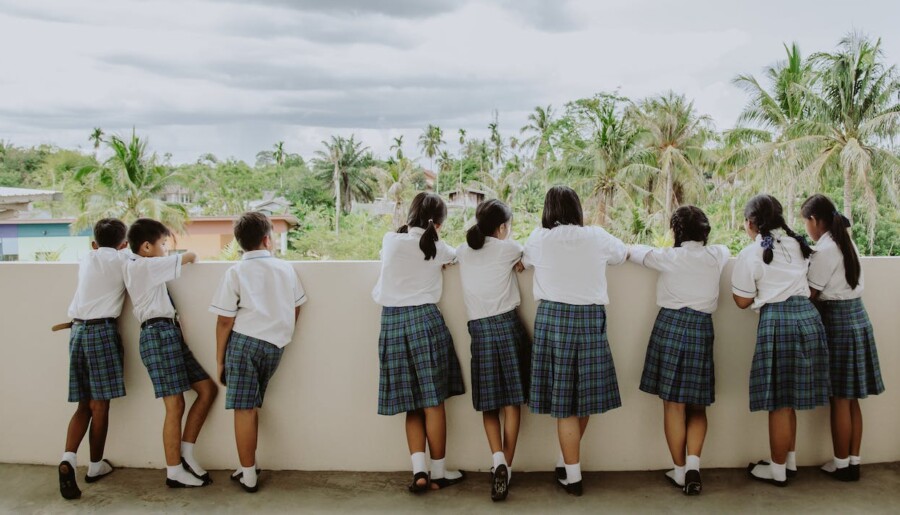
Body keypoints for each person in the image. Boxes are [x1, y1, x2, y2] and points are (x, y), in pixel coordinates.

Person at [523, 186, 627, 496]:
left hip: (552, 319)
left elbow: (524, 260)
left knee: (564, 400)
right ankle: (571, 472)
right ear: (577, 208)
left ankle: (568, 467)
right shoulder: (596, 236)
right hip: (589, 318)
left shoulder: (539, 238)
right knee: (585, 395)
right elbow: (622, 254)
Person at [629, 206, 729, 495]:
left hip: (670, 326)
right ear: (705, 231)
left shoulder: (668, 257)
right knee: (697, 404)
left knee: (673, 404)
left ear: (677, 231)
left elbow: (632, 252)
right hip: (701, 329)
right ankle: (694, 466)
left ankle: (680, 471)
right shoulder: (718, 254)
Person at [732, 194, 829, 487]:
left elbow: (741, 300)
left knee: (778, 401)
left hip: (779, 323)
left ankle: (776, 470)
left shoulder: (751, 253)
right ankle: (789, 461)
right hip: (808, 319)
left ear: (751, 223)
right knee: (790, 400)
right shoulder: (797, 244)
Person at [371, 192, 466, 493]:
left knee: (410, 403)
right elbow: (455, 256)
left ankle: (419, 472)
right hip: (425, 321)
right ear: (439, 223)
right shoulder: (439, 248)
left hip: (392, 324)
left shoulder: (390, 241)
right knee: (433, 402)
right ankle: (439, 472)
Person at [210, 211, 307, 493]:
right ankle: (247, 465)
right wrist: (282, 332)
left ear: (241, 242)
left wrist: (220, 360)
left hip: (243, 343)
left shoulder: (236, 272)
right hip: (274, 347)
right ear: (267, 240)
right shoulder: (285, 268)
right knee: (253, 405)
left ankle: (248, 474)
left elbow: (225, 319)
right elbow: (297, 305)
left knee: (244, 409)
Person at [124, 218, 218, 488]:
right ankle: (173, 470)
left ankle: (186, 453)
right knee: (175, 405)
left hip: (168, 334)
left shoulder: (136, 263)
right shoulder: (146, 265)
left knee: (207, 389)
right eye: (163, 244)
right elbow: (191, 256)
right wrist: (172, 255)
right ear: (145, 247)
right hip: (157, 336)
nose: (166, 249)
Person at [801, 194, 884, 481]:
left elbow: (811, 292)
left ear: (814, 221)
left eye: (806, 222)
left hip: (838, 321)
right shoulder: (846, 242)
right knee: (851, 398)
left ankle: (840, 464)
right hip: (858, 318)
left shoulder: (825, 250)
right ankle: (853, 461)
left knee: (839, 398)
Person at [456, 199, 528, 501]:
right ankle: (506, 468)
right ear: (502, 227)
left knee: (489, 403)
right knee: (512, 401)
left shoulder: (462, 251)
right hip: (508, 326)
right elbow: (527, 251)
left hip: (480, 330)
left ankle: (496, 458)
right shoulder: (508, 249)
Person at [58, 219, 130, 500]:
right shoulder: (124, 261)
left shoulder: (87, 258)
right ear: (123, 244)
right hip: (102, 331)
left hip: (77, 331)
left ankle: (68, 458)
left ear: (93, 243)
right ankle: (96, 465)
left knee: (83, 404)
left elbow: (105, 250)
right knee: (100, 406)